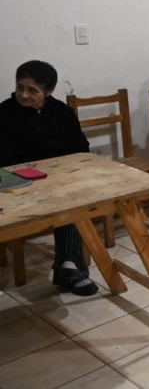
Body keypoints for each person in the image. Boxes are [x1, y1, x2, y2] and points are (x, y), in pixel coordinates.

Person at [0, 61, 98, 295]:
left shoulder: (61, 112)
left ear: (49, 91)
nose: (23, 94)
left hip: (55, 179)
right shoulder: (4, 112)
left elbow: (80, 148)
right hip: (13, 181)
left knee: (72, 199)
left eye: (32, 90)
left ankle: (70, 267)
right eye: (20, 87)